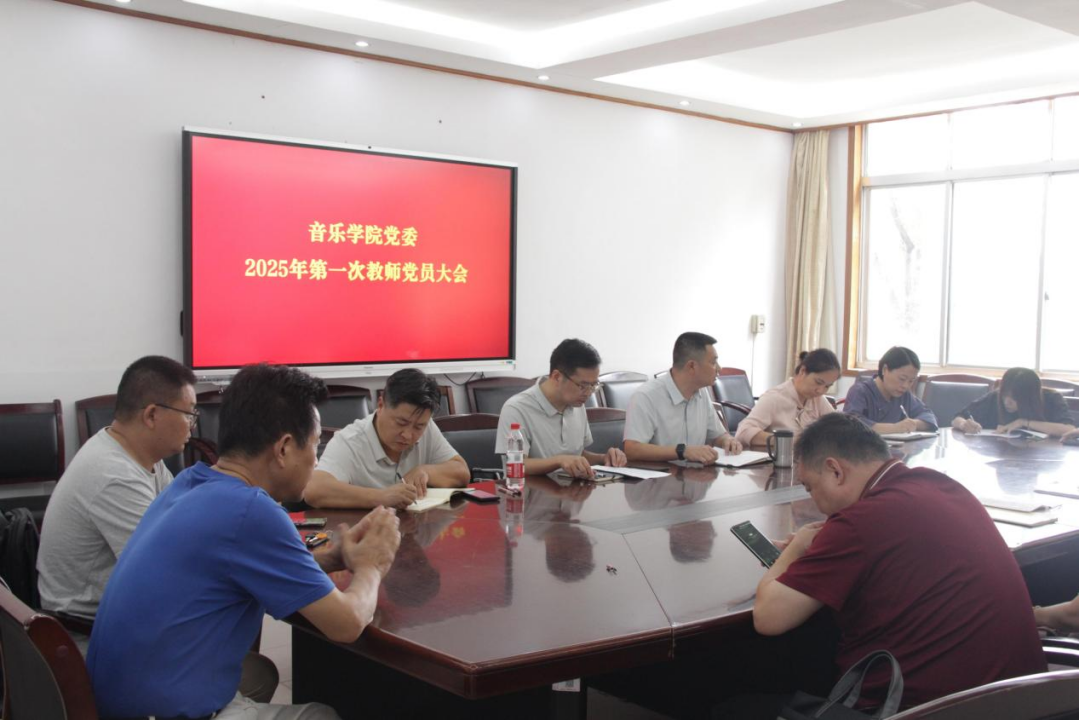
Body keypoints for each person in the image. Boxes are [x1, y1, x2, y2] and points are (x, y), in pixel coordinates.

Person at [87, 363, 401, 720]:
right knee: (322, 715)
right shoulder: (251, 511)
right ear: (284, 449)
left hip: (112, 698)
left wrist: (333, 557)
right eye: (316, 446)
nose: (315, 460)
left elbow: (238, 568)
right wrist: (372, 565)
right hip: (156, 712)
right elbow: (346, 624)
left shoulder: (190, 482)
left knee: (260, 675)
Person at [753, 413, 1045, 710]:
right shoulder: (939, 484)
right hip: (1034, 702)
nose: (815, 501)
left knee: (738, 708)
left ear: (835, 471)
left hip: (930, 710)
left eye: (810, 487)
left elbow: (768, 618)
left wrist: (797, 547)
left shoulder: (858, 523)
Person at [37, 356, 197, 621]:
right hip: (89, 630)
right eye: (189, 414)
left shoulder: (139, 454)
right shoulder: (113, 475)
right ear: (152, 415)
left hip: (123, 610)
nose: (192, 424)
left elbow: (183, 518)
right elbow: (163, 571)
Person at [304, 368, 469, 509]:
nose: (408, 435)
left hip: (415, 529)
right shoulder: (350, 441)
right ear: (381, 405)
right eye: (401, 422)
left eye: (418, 427)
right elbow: (314, 490)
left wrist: (426, 471)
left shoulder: (427, 427)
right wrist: (381, 497)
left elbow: (462, 472)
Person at [495, 338, 627, 480]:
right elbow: (515, 465)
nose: (589, 393)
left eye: (593, 386)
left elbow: (577, 455)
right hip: (529, 492)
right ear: (557, 377)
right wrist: (558, 461)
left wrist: (604, 458)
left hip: (571, 490)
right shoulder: (516, 409)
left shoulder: (577, 404)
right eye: (583, 386)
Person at [624, 332, 743, 463]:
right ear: (692, 366)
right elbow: (632, 449)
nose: (719, 368)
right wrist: (682, 451)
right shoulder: (646, 396)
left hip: (695, 473)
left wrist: (728, 440)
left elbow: (717, 435)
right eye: (713, 362)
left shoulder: (702, 392)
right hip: (660, 475)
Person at [735, 349, 839, 447]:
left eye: (827, 386)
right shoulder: (774, 398)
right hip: (780, 458)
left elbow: (838, 427)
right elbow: (743, 432)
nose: (820, 391)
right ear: (803, 371)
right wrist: (786, 441)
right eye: (818, 382)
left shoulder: (817, 399)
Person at [952, 367, 1075, 437]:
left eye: (1014, 398)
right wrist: (964, 424)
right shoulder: (995, 397)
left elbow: (1068, 430)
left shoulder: (1051, 398)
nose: (1007, 402)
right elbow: (958, 417)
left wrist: (1024, 422)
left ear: (1029, 396)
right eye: (1004, 395)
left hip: (1043, 458)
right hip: (1000, 455)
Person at [842, 346, 937, 434]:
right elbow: (850, 425)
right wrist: (894, 428)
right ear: (885, 369)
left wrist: (913, 424)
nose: (906, 386)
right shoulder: (860, 391)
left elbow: (929, 417)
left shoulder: (904, 395)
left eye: (911, 381)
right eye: (902, 379)